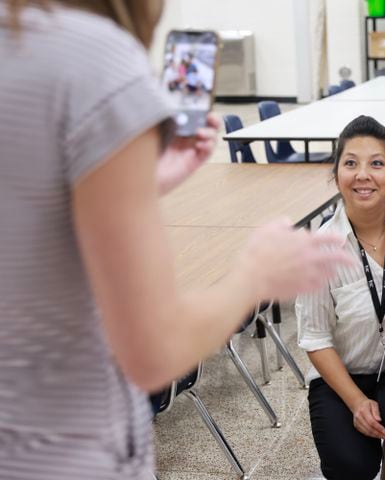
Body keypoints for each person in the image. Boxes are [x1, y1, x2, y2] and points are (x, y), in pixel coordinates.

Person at [0, 2, 350, 479]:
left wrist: (138, 185)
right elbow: (152, 351)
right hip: (62, 450)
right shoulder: (93, 58)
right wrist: (253, 277)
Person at [296, 115, 385, 480]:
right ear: (336, 176)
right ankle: (364, 442)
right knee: (350, 467)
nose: (363, 175)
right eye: (350, 163)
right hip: (341, 375)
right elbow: (315, 338)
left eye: (376, 163)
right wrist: (357, 402)